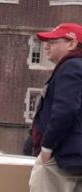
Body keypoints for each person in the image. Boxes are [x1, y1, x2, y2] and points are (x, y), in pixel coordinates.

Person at [30, 23, 82, 191]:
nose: (46, 46)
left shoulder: (70, 66)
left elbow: (65, 109)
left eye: (53, 41)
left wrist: (47, 147)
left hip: (62, 156)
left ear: (72, 44)